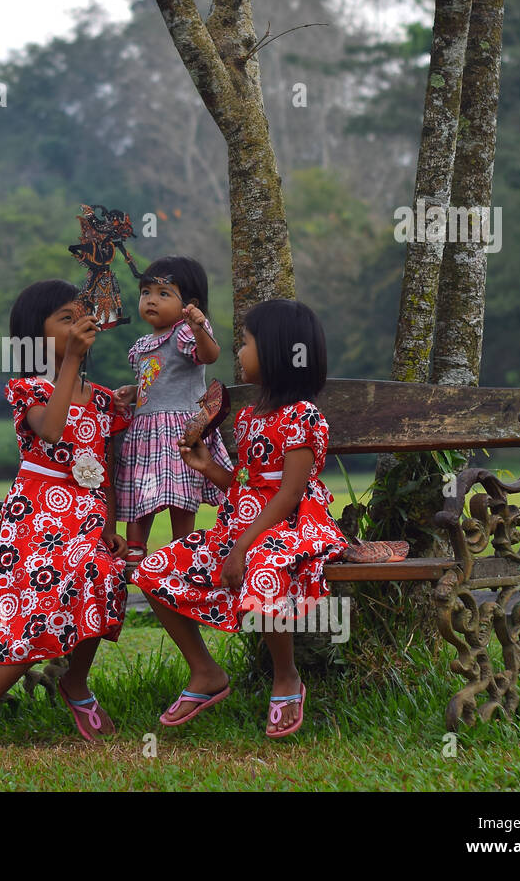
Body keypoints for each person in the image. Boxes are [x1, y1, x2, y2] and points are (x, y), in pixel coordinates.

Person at [129, 298, 349, 737]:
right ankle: (206, 673)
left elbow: (288, 495)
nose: (240, 353)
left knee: (263, 564)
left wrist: (242, 547)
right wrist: (209, 467)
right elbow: (246, 487)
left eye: (246, 343)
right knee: (152, 570)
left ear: (278, 354)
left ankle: (285, 676)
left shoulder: (303, 417)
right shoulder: (250, 418)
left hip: (291, 525)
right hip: (245, 520)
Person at [0, 280, 133, 753]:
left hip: (84, 523)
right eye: (64, 319)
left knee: (103, 574)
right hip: (36, 523)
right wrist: (69, 362)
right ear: (34, 335)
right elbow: (51, 431)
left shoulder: (104, 400)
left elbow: (104, 466)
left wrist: (110, 528)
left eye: (79, 317)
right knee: (39, 611)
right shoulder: (29, 389)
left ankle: (75, 681)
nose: (76, 325)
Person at [112, 256, 232, 562]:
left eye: (164, 294)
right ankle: (136, 547)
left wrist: (200, 327)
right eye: (146, 292)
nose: (151, 300)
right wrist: (135, 392)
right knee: (140, 487)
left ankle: (183, 545)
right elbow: (160, 381)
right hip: (145, 432)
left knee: (181, 491)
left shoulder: (185, 333)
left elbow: (209, 356)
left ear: (189, 304)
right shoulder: (141, 344)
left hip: (179, 431)